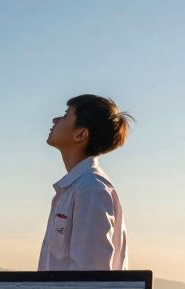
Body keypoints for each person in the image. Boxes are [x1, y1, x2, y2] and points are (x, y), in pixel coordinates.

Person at [39, 94, 133, 271]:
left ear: (81, 134)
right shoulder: (76, 187)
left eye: (66, 115)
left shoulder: (91, 189)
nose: (55, 119)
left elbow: (92, 275)